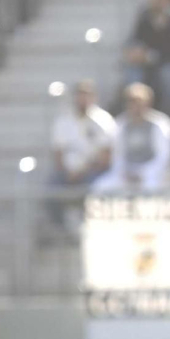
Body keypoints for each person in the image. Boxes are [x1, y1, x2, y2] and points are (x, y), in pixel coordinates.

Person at [47, 80, 114, 228]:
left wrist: (82, 171)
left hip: (94, 172)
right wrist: (67, 171)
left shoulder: (104, 120)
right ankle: (59, 230)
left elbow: (105, 156)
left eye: (87, 95)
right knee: (51, 188)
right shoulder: (63, 120)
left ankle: (91, 228)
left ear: (94, 97)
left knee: (96, 188)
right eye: (80, 95)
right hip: (67, 172)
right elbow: (58, 152)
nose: (83, 99)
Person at [95, 84, 170, 192]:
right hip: (127, 173)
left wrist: (143, 173)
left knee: (152, 187)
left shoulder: (160, 124)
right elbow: (117, 155)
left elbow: (164, 156)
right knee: (101, 187)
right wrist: (125, 173)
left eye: (139, 102)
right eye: (131, 102)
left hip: (152, 174)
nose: (136, 106)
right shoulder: (121, 124)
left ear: (148, 103)